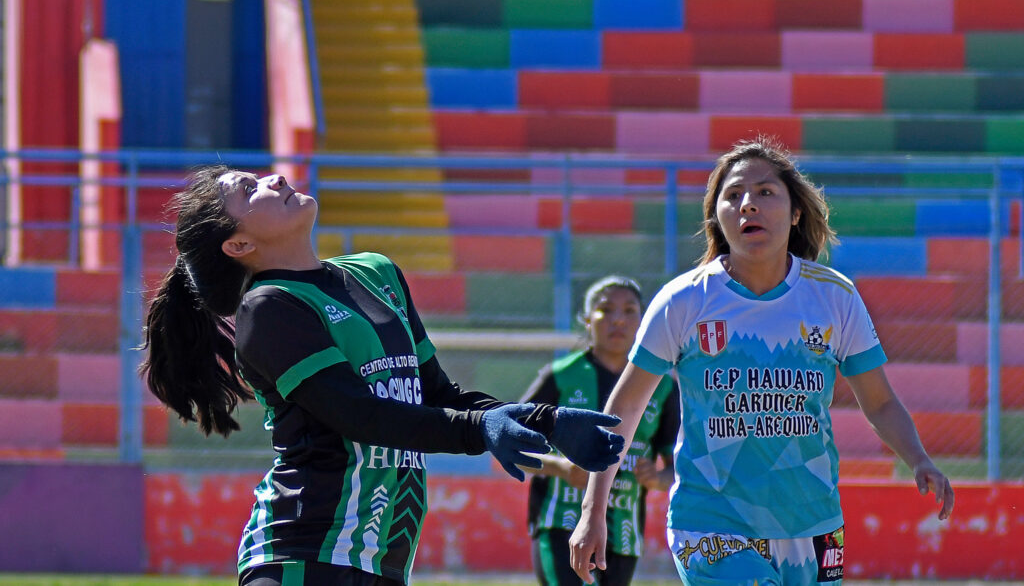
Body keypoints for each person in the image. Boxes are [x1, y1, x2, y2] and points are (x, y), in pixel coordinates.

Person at [139, 165, 625, 586]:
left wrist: (548, 422)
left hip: (384, 560)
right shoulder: (270, 308)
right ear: (239, 243)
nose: (276, 178)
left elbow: (437, 394)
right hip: (302, 554)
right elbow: (360, 415)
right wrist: (482, 430)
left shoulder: (377, 273)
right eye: (250, 190)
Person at [568, 138, 955, 586]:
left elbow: (880, 402)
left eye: (765, 192)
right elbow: (624, 411)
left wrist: (919, 458)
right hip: (710, 522)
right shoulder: (684, 300)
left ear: (795, 213)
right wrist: (593, 510)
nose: (747, 204)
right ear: (718, 217)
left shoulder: (834, 297)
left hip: (813, 523)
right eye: (732, 196)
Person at [520, 276, 680, 586]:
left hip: (623, 532)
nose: (618, 319)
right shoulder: (560, 376)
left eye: (629, 310)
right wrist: (560, 467)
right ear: (586, 319)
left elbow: (679, 464)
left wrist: (659, 478)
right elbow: (510, 446)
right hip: (560, 522)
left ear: (643, 319)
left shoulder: (661, 387)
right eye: (605, 309)